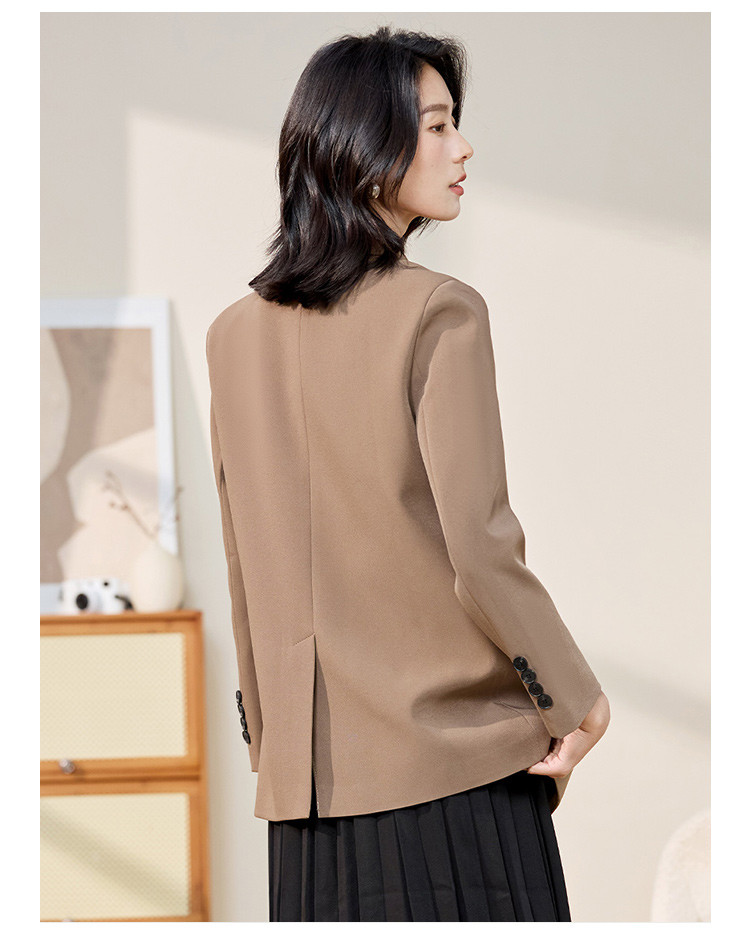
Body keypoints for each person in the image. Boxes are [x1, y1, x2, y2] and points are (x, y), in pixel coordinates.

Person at [206, 24, 610, 922]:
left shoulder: (232, 336)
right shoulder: (439, 311)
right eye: (436, 126)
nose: (463, 148)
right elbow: (481, 545)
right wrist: (575, 697)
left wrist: (275, 747)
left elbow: (245, 568)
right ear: (365, 142)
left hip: (306, 803)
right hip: (453, 776)